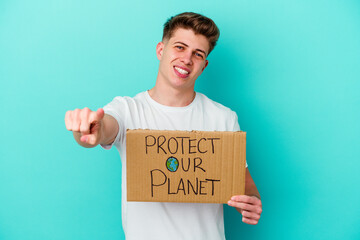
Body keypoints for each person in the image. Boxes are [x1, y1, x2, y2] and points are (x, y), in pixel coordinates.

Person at [65, 12, 262, 240]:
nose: (187, 59)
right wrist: (88, 130)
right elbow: (104, 128)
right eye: (180, 47)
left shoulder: (223, 117)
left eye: (197, 54)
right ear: (161, 50)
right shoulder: (128, 110)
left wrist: (250, 202)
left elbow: (245, 186)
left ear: (204, 65)